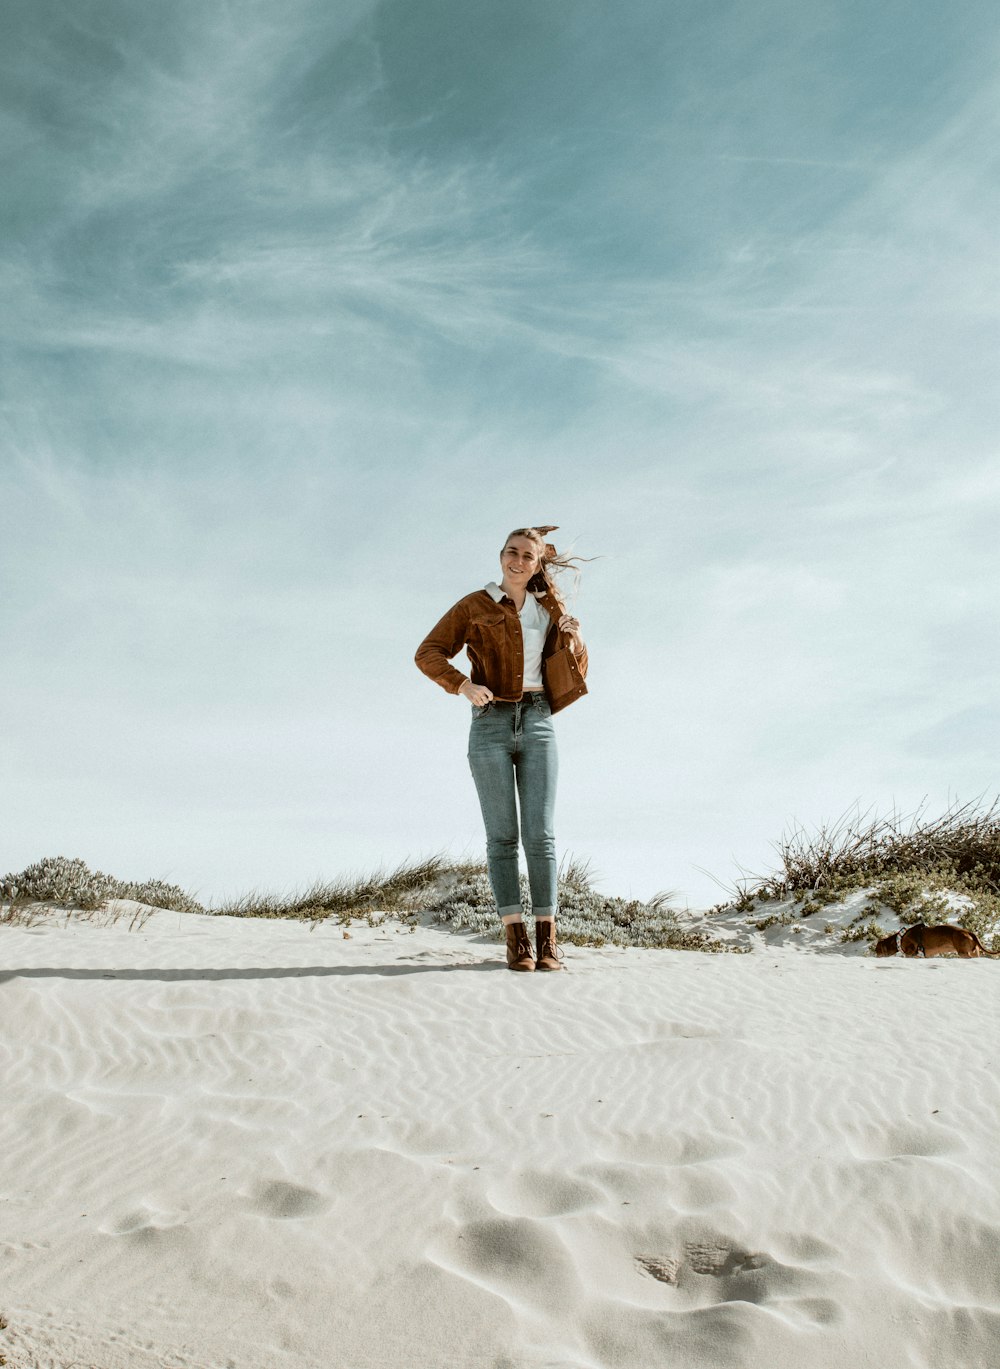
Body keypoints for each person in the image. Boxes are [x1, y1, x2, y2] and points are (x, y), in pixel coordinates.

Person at [415, 526, 589, 972]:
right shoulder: (476, 604)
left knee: (541, 835)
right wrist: (462, 686)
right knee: (502, 838)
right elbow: (428, 652)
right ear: (501, 556)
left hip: (538, 719)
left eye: (528, 555)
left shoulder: (550, 607)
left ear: (537, 563)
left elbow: (575, 669)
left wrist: (576, 638)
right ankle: (516, 941)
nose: (518, 560)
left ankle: (548, 940)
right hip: (490, 723)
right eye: (512, 552)